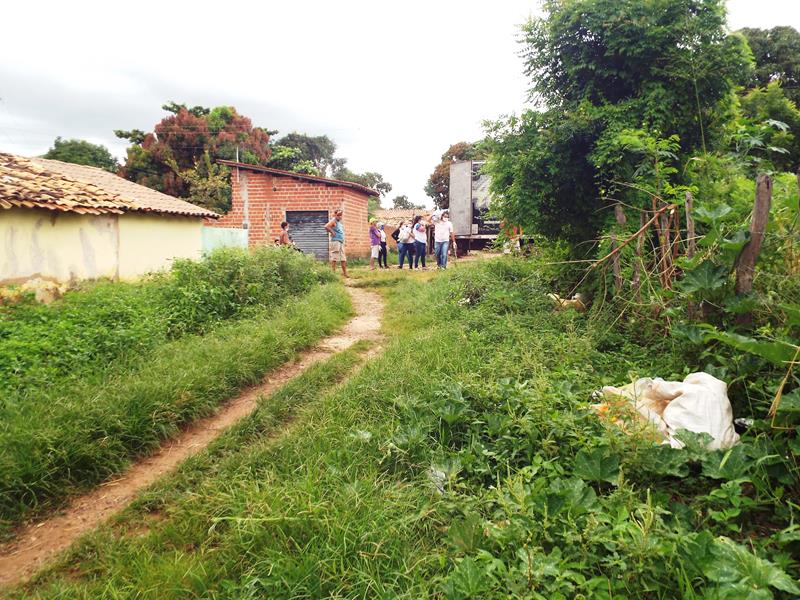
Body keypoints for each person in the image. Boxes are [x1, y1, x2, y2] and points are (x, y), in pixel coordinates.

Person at [325, 209, 348, 277]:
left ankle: (345, 273)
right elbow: (326, 226)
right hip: (335, 242)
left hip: (340, 242)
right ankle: (333, 274)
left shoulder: (339, 223)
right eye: (338, 215)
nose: (340, 217)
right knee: (334, 258)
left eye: (341, 215)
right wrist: (332, 232)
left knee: (343, 258)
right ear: (335, 215)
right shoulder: (333, 220)